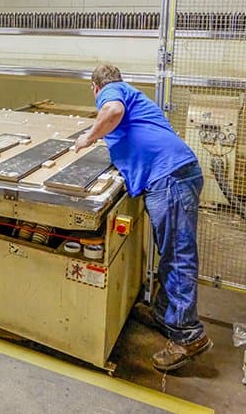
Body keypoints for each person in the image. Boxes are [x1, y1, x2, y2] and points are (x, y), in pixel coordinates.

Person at [73, 63, 209, 371]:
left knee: (177, 257)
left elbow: (112, 113)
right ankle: (165, 314)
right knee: (170, 253)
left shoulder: (111, 91)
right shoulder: (133, 93)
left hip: (169, 178)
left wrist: (88, 138)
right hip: (173, 174)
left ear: (96, 88)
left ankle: (189, 335)